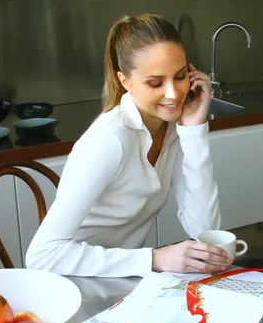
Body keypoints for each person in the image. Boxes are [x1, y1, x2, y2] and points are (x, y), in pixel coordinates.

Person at [25, 14, 229, 278]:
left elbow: (205, 229)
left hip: (122, 284)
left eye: (180, 77)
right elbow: (42, 255)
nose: (173, 93)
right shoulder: (108, 141)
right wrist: (154, 259)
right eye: (156, 83)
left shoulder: (175, 130)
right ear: (125, 81)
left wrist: (194, 131)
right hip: (73, 286)